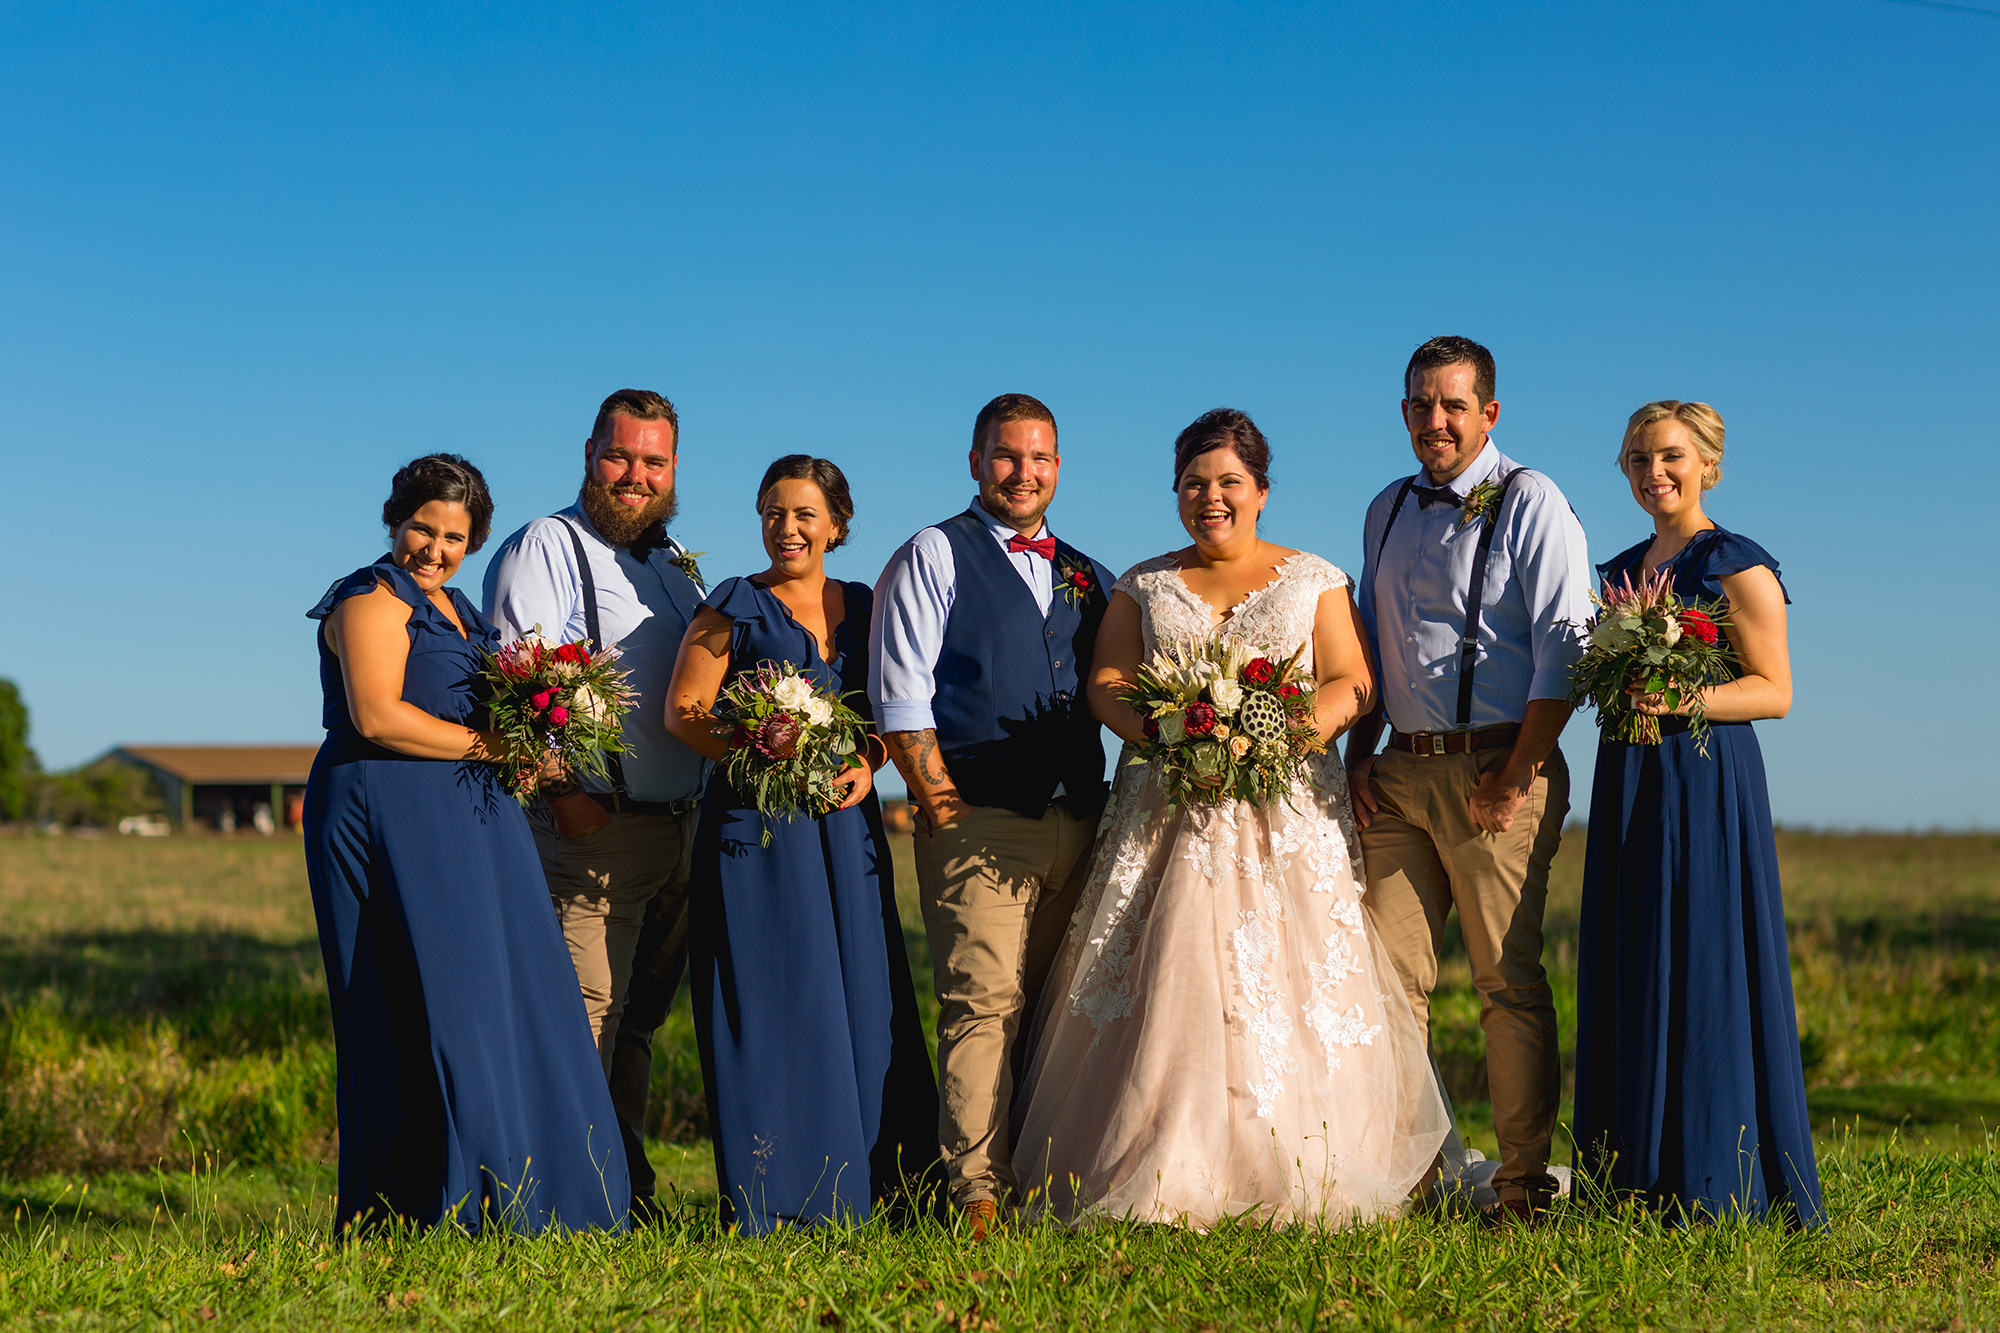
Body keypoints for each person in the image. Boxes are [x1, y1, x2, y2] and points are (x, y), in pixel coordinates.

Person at [1016, 409, 1450, 1228]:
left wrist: (1276, 734)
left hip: (1283, 808)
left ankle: (1298, 1161)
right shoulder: (1143, 583)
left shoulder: (1313, 577)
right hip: (1166, 809)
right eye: (1193, 483)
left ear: (1259, 490)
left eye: (1227, 483)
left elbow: (1352, 682)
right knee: (1167, 972)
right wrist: (1164, 726)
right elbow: (1106, 679)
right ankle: (1159, 1156)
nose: (1209, 498)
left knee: (1292, 981)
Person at [303, 454, 627, 1234]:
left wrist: (543, 749)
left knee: (512, 991)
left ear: (474, 539)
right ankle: (431, 1199)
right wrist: (494, 748)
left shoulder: (459, 611)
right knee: (429, 999)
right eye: (423, 527)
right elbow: (378, 716)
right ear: (395, 519)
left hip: (473, 812)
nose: (434, 548)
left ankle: (537, 1188)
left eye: (454, 535)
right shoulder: (370, 596)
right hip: (386, 805)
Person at [1343, 336, 1593, 1223]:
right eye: (1421, 404)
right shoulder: (1385, 508)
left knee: (1505, 983)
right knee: (1384, 981)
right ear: (1404, 412)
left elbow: (1566, 647)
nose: (1436, 420)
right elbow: (1375, 645)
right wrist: (1359, 756)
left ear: (1490, 412)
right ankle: (1409, 1175)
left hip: (1499, 767)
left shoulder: (1533, 499)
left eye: (1454, 405)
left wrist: (1517, 772)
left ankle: (1523, 1186)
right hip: (1401, 773)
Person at [664, 455, 939, 1233]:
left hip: (844, 830)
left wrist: (871, 760)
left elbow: (897, 707)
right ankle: (779, 1196)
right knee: (775, 998)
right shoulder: (733, 607)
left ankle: (891, 1188)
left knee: (864, 994)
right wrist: (765, 747)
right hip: (757, 834)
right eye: (774, 512)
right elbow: (686, 712)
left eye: (805, 513)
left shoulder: (866, 604)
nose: (788, 528)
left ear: (837, 524)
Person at [1572, 402, 1825, 1228]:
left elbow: (1775, 691)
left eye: (1672, 457)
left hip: (1707, 780)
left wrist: (1682, 693)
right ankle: (1627, 1175)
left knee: (1707, 954)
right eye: (1640, 459)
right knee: (1634, 949)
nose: (1656, 473)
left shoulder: (1735, 562)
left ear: (1708, 463)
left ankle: (1716, 1176)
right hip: (1631, 777)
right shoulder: (1616, 572)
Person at [868, 393, 1112, 1240]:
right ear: (975, 461)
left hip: (1079, 822)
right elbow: (901, 693)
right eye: (1007, 456)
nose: (1023, 472)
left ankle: (1044, 1174)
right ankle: (974, 1190)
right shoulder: (936, 553)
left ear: (1058, 466)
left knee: (1057, 1002)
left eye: (1040, 458)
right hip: (980, 820)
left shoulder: (1088, 571)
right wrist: (941, 804)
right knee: (982, 1002)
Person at [482, 389, 710, 1219]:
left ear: (674, 467)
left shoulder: (676, 561)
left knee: (638, 1022)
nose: (635, 475)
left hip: (680, 830)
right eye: (620, 456)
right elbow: (517, 684)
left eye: (654, 461)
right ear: (589, 452)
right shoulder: (548, 545)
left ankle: (621, 1184)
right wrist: (564, 791)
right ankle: (555, 1200)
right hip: (594, 829)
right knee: (584, 1023)